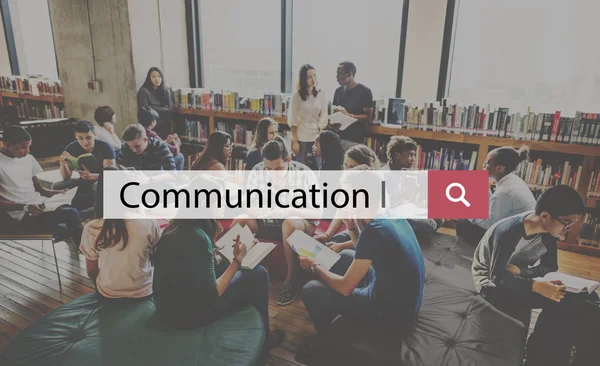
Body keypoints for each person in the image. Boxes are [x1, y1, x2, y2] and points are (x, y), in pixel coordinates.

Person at [296, 166, 425, 364]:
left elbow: (345, 288)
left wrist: (313, 266)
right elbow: (361, 249)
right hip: (405, 298)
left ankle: (329, 346)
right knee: (346, 254)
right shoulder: (388, 214)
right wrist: (350, 225)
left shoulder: (374, 231)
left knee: (311, 289)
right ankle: (341, 324)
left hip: (391, 311)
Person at [152, 175, 285, 351]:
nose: (224, 204)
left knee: (227, 263)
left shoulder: (174, 227)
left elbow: (194, 265)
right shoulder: (198, 238)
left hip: (165, 308)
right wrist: (237, 260)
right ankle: (265, 336)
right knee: (259, 273)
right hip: (187, 317)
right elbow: (211, 294)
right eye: (219, 199)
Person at [472, 185, 598, 366]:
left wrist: (523, 272)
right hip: (490, 285)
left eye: (573, 223)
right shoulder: (508, 232)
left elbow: (550, 267)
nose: (569, 229)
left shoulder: (549, 231)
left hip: (517, 278)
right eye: (567, 223)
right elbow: (497, 278)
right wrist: (536, 286)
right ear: (545, 216)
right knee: (564, 301)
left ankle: (576, 355)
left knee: (590, 298)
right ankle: (540, 356)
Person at [232, 136, 320, 306]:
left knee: (290, 222)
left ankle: (291, 279)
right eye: (268, 169)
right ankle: (235, 271)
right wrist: (260, 210)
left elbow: (316, 213)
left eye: (278, 169)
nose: (272, 174)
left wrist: (290, 208)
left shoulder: (304, 173)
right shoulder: (257, 171)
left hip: (297, 223)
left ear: (289, 160)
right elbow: (247, 205)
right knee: (240, 220)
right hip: (266, 220)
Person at [80, 166, 161, 300]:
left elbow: (92, 271)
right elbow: (156, 260)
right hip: (143, 291)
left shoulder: (92, 228)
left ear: (100, 193)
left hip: (108, 292)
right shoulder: (150, 224)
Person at [0, 126, 83, 246]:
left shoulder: (28, 159)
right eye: (24, 147)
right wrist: (26, 206)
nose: (28, 151)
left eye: (29, 146)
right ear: (8, 144)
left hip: (40, 205)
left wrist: (56, 193)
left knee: (75, 206)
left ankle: (86, 251)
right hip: (22, 214)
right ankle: (88, 254)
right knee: (71, 214)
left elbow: (40, 190)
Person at [458, 145, 535, 246]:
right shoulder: (513, 179)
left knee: (463, 222)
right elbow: (496, 206)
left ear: (499, 168)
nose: (484, 164)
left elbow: (490, 224)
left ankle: (469, 252)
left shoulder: (504, 192)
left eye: (488, 163)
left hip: (513, 239)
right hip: (519, 230)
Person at [314, 144, 380, 253]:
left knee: (341, 252)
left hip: (371, 239)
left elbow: (372, 238)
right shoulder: (349, 182)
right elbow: (342, 210)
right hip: (356, 229)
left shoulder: (375, 188)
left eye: (352, 167)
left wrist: (342, 246)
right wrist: (327, 234)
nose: (347, 170)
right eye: (345, 165)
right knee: (328, 243)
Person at [384, 135, 444, 233]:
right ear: (397, 155)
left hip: (406, 210)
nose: (413, 159)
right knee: (430, 224)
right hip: (394, 216)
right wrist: (406, 193)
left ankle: (417, 236)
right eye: (410, 155)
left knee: (439, 218)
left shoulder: (403, 172)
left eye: (414, 155)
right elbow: (385, 207)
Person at [55, 120, 116, 212]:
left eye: (88, 138)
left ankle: (91, 210)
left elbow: (111, 176)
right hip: (83, 181)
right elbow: (66, 177)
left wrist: (92, 176)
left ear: (95, 134)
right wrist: (63, 163)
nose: (85, 142)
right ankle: (65, 212)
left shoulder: (105, 147)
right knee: (57, 186)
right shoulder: (71, 148)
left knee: (94, 187)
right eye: (80, 138)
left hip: (100, 182)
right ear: (76, 136)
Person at [288, 64, 328, 164]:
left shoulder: (321, 94)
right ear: (303, 79)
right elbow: (293, 120)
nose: (313, 79)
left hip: (316, 136)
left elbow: (323, 118)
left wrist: (319, 142)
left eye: (314, 76)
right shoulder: (296, 95)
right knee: (301, 168)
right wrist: (295, 142)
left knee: (319, 166)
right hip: (301, 137)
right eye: (309, 77)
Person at [330, 62, 374, 150]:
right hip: (338, 138)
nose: (336, 76)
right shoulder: (338, 91)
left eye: (339, 74)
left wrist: (349, 115)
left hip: (355, 140)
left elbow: (368, 117)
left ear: (350, 74)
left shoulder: (365, 91)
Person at [137, 67, 172, 138]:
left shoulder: (164, 90)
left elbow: (170, 109)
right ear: (149, 78)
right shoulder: (144, 91)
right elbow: (145, 110)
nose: (157, 79)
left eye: (159, 76)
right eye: (153, 77)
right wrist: (163, 109)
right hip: (151, 125)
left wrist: (167, 91)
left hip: (164, 123)